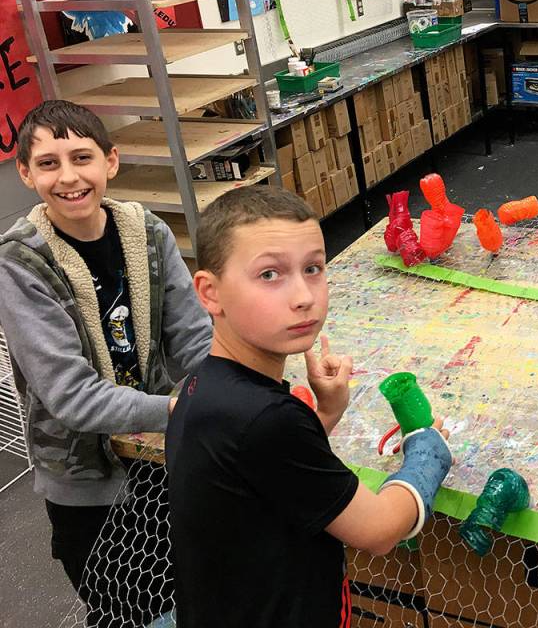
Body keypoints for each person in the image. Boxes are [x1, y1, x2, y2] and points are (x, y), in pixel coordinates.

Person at [166, 185, 453, 628]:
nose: (303, 296)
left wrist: (328, 411)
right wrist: (428, 452)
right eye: (269, 275)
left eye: (313, 268)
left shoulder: (206, 385)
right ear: (210, 293)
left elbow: (270, 473)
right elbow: (377, 531)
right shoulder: (265, 419)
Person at [0, 101, 211, 622]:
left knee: (192, 589)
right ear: (25, 173)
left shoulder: (148, 233)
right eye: (48, 163)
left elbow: (191, 340)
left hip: (159, 457)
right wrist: (180, 406)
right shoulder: (20, 263)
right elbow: (71, 397)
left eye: (82, 157)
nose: (69, 177)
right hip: (86, 484)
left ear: (110, 162)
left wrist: (231, 381)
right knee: (126, 610)